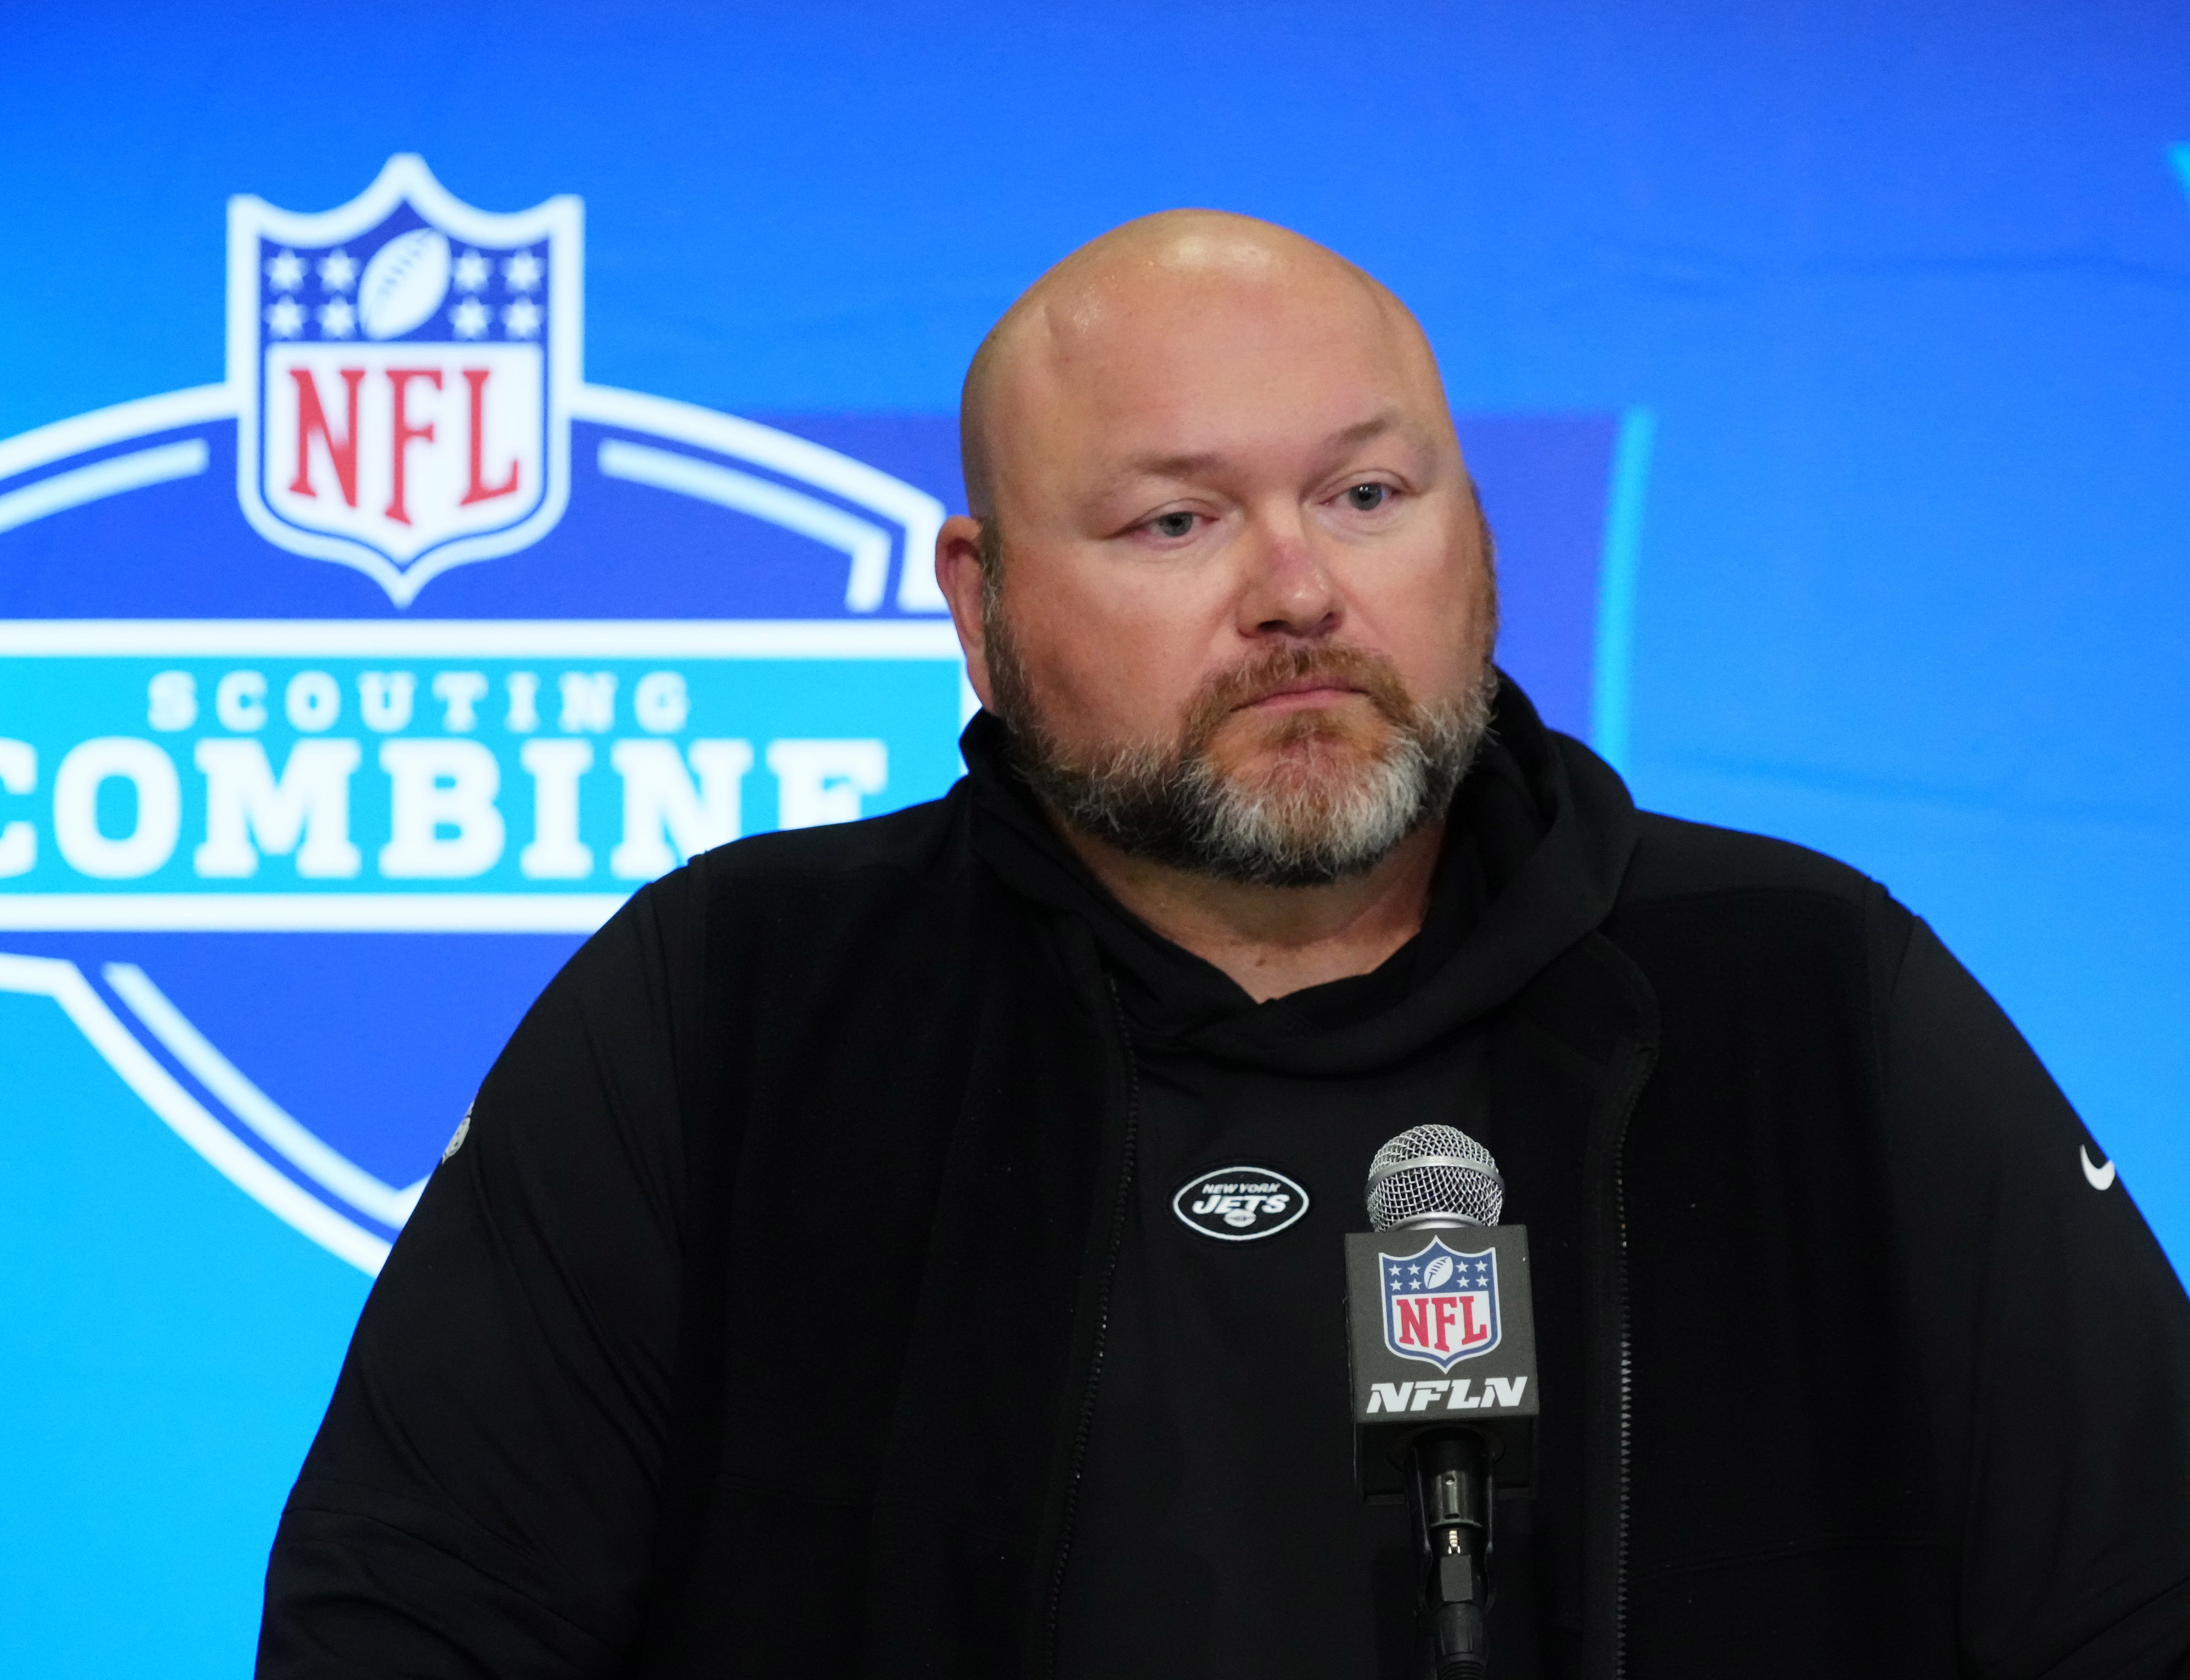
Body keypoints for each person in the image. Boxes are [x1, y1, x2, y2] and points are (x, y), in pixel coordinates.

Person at [258, 212, 2190, 1678]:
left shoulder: (1799, 991)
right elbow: (413, 1618)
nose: (1296, 592)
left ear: (1472, 529)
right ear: (979, 597)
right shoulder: (735, 1009)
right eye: (1177, 520)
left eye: (1365, 495)